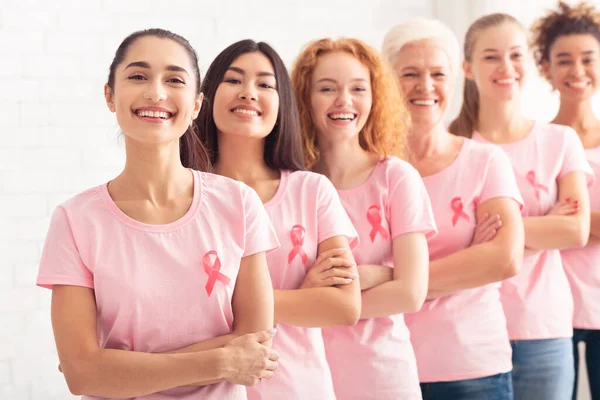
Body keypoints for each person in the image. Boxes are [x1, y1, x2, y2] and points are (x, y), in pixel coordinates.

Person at [36, 28, 280, 400]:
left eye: (174, 80)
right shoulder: (74, 221)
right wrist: (220, 360)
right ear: (109, 96)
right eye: (138, 76)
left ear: (197, 104)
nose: (156, 92)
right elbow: (83, 376)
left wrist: (115, 368)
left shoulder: (239, 205)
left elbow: (255, 347)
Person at [195, 39, 361, 400]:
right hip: (209, 391)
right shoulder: (185, 196)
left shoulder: (312, 191)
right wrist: (300, 299)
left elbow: (345, 306)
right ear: (205, 98)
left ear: (282, 102)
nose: (249, 93)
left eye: (265, 84)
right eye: (234, 80)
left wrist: (235, 302)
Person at [450, 13, 593, 400]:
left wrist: (495, 237)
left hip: (542, 329)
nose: (506, 68)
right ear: (467, 68)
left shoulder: (559, 140)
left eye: (515, 55)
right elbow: (447, 242)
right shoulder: (451, 148)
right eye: (491, 57)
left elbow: (575, 230)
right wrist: (542, 226)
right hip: (468, 333)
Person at [380, 18, 524, 400]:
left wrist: (396, 280)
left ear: (455, 81)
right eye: (409, 74)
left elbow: (504, 258)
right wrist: (465, 263)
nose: (425, 86)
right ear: (386, 83)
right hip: (380, 367)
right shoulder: (369, 169)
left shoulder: (486, 161)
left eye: (437, 74)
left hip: (473, 367)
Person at [291, 37, 437, 400]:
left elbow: (410, 293)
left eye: (358, 88)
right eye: (327, 88)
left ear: (374, 97)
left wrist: (326, 299)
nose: (344, 100)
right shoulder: (291, 184)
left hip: (383, 376)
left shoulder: (396, 177)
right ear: (305, 100)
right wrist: (377, 276)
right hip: (303, 376)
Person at [531, 2, 600, 398]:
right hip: (550, 310)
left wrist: (564, 225)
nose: (577, 70)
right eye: (564, 60)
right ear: (546, 68)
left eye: (588, 58)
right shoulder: (538, 141)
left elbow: (562, 226)